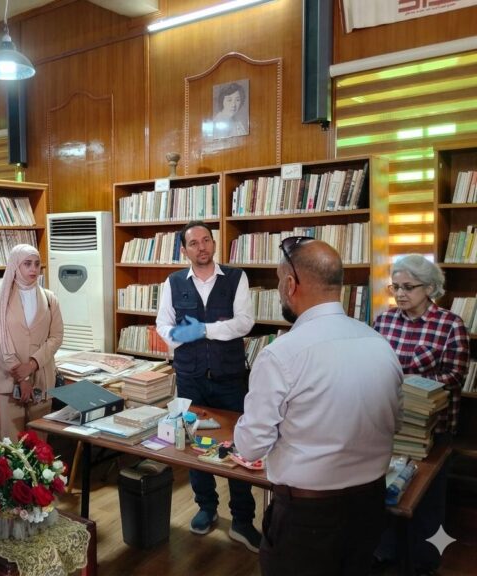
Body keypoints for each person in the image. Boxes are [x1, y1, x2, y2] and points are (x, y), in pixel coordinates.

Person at [234, 237, 403, 576]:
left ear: (290, 284)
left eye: (279, 281)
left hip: (307, 517)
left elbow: (250, 446)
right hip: (370, 506)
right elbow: (394, 423)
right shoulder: (379, 343)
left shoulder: (281, 354)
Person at [156, 221, 260, 550]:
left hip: (230, 379)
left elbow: (244, 323)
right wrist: (188, 333)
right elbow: (164, 326)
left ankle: (242, 519)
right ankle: (206, 507)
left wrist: (201, 329)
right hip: (191, 378)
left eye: (207, 240)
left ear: (214, 243)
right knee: (196, 445)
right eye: (194, 243)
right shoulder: (173, 282)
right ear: (184, 250)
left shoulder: (236, 278)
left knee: (239, 448)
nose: (202, 247)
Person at [372, 254, 469, 574]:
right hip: (389, 423)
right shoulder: (384, 320)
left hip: (432, 428)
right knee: (386, 490)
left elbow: (455, 376)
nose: (399, 294)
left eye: (408, 287)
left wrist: (409, 383)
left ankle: (424, 562)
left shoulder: (450, 324)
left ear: (429, 288)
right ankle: (385, 551)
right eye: (395, 287)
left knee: (428, 500)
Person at [0, 244, 64, 440]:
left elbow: (56, 336)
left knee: (39, 445)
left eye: (37, 264)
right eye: (27, 264)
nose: (33, 269)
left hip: (41, 378)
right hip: (8, 380)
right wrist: (22, 377)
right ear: (15, 266)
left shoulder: (50, 298)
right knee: (11, 445)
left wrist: (32, 365)